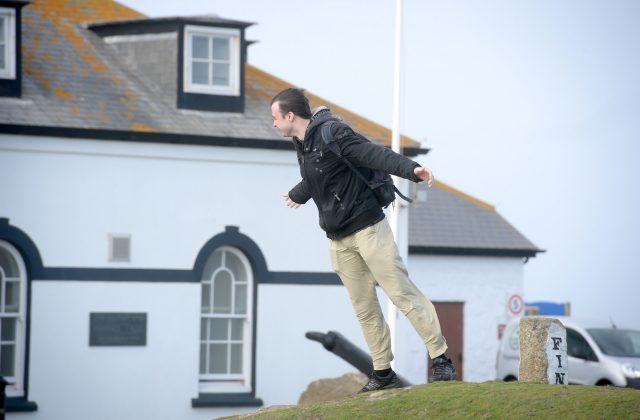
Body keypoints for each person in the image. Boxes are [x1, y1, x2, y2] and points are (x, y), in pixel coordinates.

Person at [270, 88, 456, 392]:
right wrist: (298, 194)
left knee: (401, 294)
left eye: (275, 118)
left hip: (369, 229)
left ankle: (441, 360)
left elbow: (374, 154)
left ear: (290, 116)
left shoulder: (333, 132)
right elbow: (320, 175)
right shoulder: (301, 144)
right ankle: (383, 373)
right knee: (364, 308)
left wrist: (412, 169)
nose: (274, 124)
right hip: (339, 241)